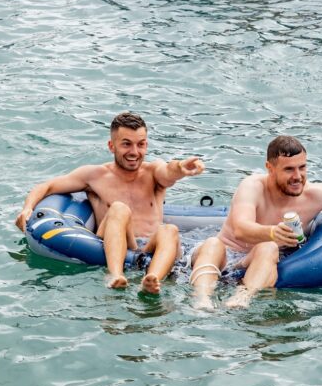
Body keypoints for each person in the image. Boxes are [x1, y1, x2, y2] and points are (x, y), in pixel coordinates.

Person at [189, 136, 322, 310]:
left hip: (257, 264)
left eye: (302, 167)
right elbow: (241, 229)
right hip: (226, 257)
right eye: (289, 169)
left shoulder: (316, 195)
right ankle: (202, 300)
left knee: (268, 248)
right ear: (270, 168)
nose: (298, 176)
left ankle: (241, 298)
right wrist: (273, 232)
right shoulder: (252, 186)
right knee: (213, 243)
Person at [15, 112, 205, 294]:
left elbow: (169, 171)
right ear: (111, 146)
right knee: (119, 208)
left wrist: (180, 167)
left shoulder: (153, 172)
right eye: (126, 144)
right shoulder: (95, 176)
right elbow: (47, 186)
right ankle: (115, 276)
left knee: (169, 229)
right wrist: (27, 209)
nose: (134, 152)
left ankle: (152, 279)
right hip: (123, 241)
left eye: (141, 144)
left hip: (150, 246)